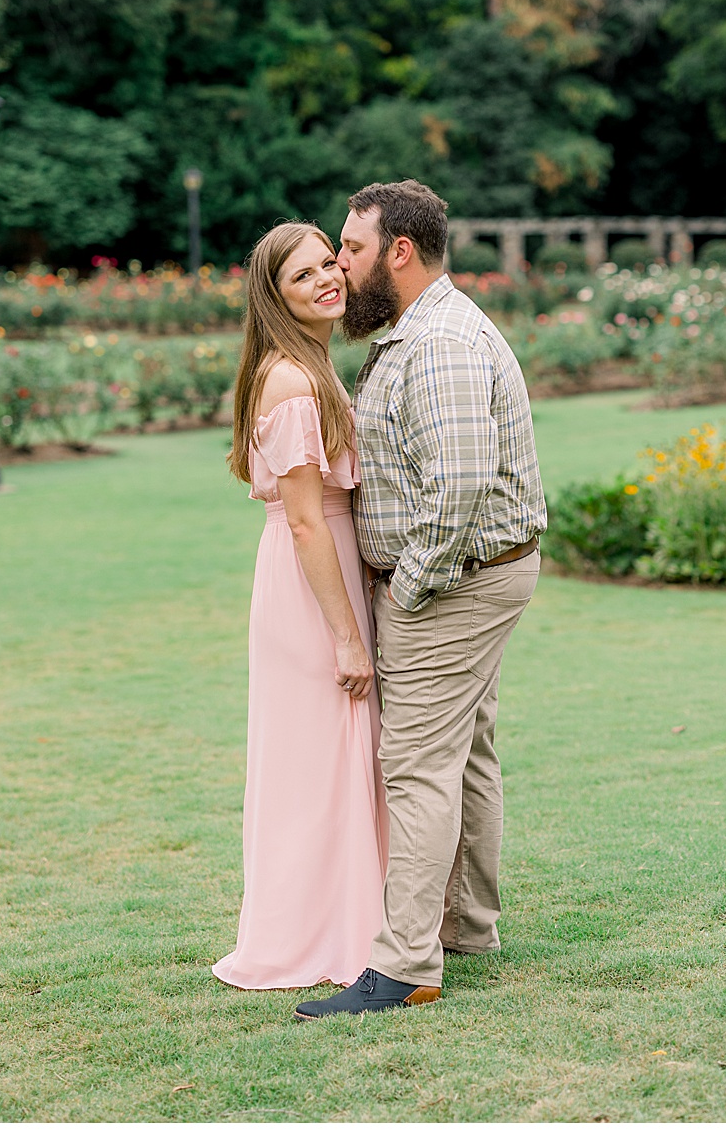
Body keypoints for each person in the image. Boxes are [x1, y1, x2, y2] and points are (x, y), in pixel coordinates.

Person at [294, 179, 547, 1020]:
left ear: (398, 252)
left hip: (453, 582)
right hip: (471, 574)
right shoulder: (418, 329)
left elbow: (464, 482)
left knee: (415, 765)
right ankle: (465, 926)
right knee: (467, 752)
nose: (340, 263)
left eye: (353, 249)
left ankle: (406, 964)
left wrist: (406, 586)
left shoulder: (439, 342)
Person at [213, 221, 389, 991]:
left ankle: (357, 920)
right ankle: (322, 936)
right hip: (311, 583)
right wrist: (348, 637)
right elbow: (310, 518)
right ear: (274, 297)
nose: (327, 279)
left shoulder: (313, 367)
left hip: (326, 570)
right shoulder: (290, 381)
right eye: (302, 276)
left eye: (330, 263)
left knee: (337, 760)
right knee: (321, 761)